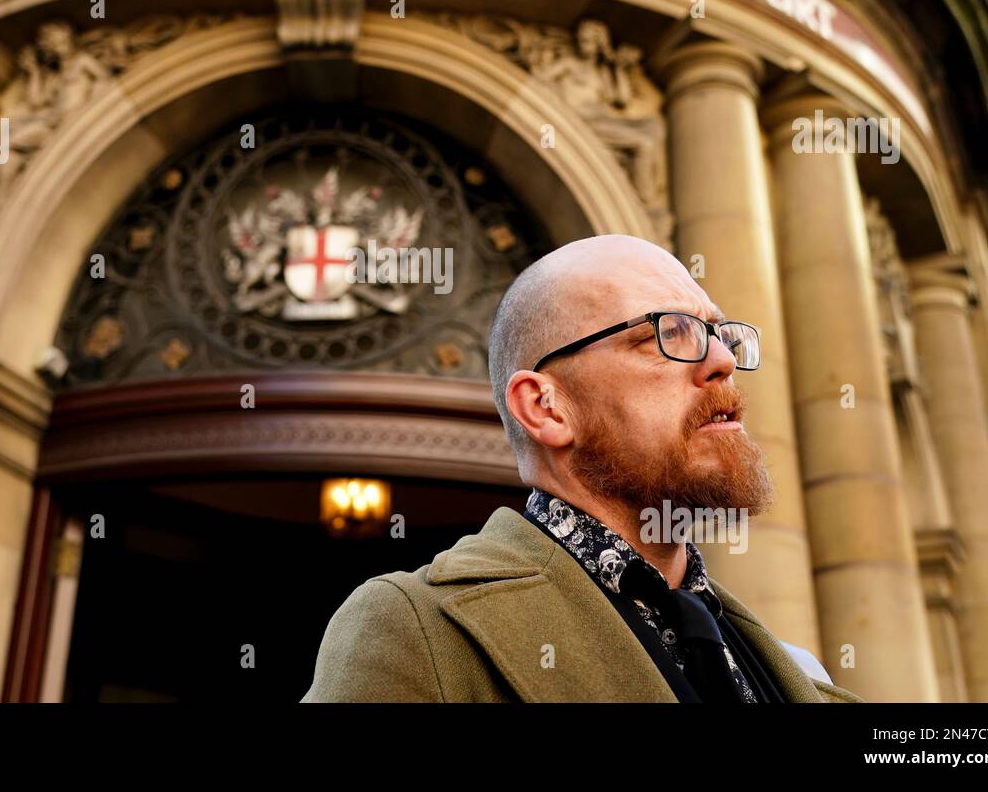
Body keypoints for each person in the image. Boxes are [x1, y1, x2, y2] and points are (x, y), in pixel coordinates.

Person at [302, 234, 862, 702]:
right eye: (668, 335)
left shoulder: (799, 673)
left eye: (719, 335)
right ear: (546, 407)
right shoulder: (414, 631)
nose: (722, 362)